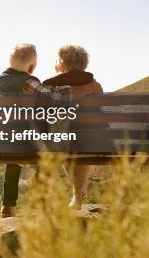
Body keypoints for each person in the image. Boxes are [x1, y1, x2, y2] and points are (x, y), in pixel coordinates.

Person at [0, 44, 78, 217]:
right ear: (32, 67)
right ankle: (42, 203)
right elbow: (57, 98)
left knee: (12, 145)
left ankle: (7, 205)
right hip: (21, 144)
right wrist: (68, 85)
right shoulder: (28, 81)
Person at [43, 44, 103, 209]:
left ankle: (77, 193)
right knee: (83, 141)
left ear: (61, 63)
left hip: (62, 141)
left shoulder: (50, 84)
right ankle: (78, 194)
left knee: (64, 139)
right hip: (92, 141)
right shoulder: (95, 85)